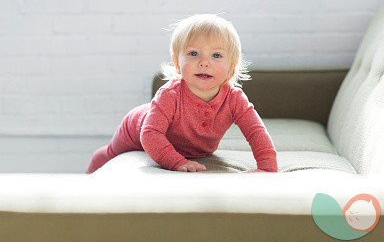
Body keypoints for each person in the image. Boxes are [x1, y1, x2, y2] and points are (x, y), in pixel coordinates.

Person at [87, 14, 277, 173]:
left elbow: (256, 132)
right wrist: (178, 162)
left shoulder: (235, 99)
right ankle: (89, 173)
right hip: (136, 128)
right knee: (110, 153)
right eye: (193, 54)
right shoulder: (170, 95)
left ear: (231, 67)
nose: (204, 62)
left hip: (191, 147)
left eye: (216, 55)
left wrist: (267, 167)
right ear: (177, 63)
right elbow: (150, 134)